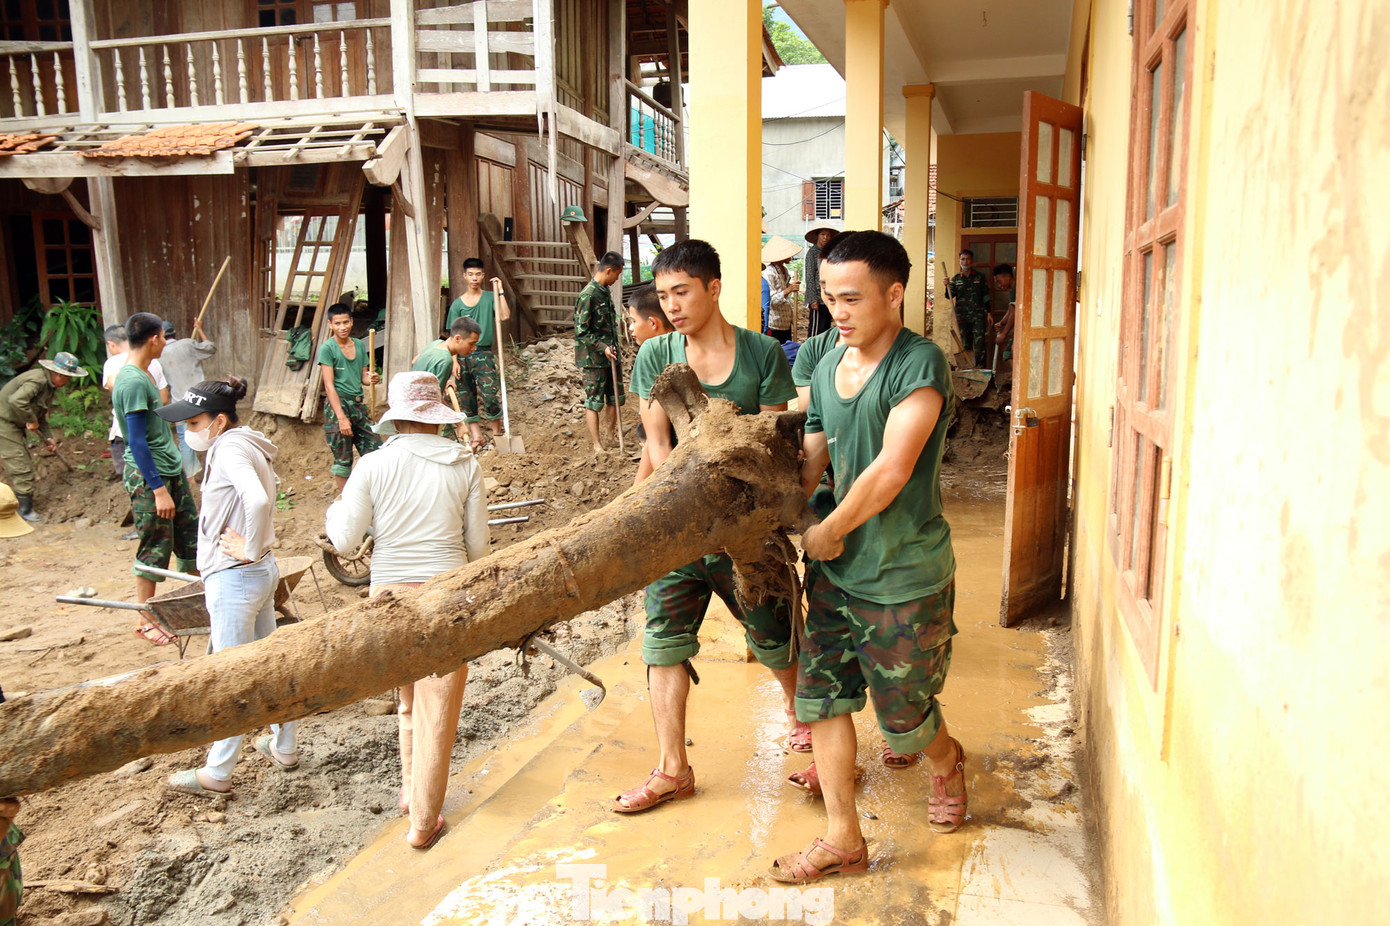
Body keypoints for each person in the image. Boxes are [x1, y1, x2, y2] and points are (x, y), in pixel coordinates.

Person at [770, 231, 961, 884]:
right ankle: (843, 838)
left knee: (905, 722)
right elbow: (815, 453)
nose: (837, 312)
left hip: (903, 574)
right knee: (823, 701)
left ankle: (947, 762)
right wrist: (778, 508)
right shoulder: (826, 367)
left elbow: (892, 469)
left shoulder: (919, 365)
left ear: (894, 294)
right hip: (836, 575)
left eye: (851, 298)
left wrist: (831, 529)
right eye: (829, 298)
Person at [612, 238, 804, 813]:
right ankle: (673, 768)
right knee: (663, 644)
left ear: (713, 288)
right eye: (664, 294)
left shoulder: (761, 353)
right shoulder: (656, 354)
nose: (671, 305)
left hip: (746, 529)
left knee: (774, 636)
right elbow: (657, 445)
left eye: (682, 292)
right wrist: (651, 513)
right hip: (677, 530)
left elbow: (770, 447)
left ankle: (801, 719)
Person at [325, 371, 488, 850]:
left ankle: (410, 791)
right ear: (437, 417)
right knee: (438, 707)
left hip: (389, 598)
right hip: (445, 595)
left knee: (409, 699)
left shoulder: (372, 465)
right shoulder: (464, 464)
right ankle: (423, 821)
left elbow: (345, 541)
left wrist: (335, 511)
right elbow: (478, 548)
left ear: (396, 419)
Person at [160, 377, 298, 794]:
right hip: (257, 573)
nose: (189, 431)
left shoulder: (230, 449)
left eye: (194, 422)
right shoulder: (246, 442)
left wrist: (249, 547)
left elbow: (257, 499)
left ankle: (217, 773)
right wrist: (256, 551)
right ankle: (284, 746)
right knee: (269, 666)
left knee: (231, 677)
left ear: (218, 421)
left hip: (236, 577)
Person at [112, 313, 199, 646]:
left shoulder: (146, 372)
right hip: (151, 476)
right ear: (154, 339)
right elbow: (135, 441)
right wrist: (159, 489)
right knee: (154, 545)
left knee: (190, 540)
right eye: (164, 337)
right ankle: (146, 621)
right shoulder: (132, 381)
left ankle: (202, 604)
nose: (165, 343)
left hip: (169, 468)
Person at [0, 352, 87, 523]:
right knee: (20, 464)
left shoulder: (48, 386)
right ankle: (24, 510)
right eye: (68, 377)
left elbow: (40, 413)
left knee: (21, 461)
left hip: (13, 422)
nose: (68, 381)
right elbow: (16, 401)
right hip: (4, 423)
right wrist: (31, 419)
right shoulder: (37, 381)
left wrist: (48, 437)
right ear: (58, 374)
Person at [104, 325, 169, 541]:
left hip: (126, 431)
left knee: (135, 477)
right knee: (155, 475)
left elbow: (114, 387)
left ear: (112, 345)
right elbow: (164, 398)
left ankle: (143, 524)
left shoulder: (114, 363)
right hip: (157, 429)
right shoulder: (154, 363)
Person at [445, 258, 512, 452]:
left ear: (483, 275)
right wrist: (454, 361)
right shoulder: (457, 305)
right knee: (466, 396)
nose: (474, 278)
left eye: (478, 274)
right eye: (470, 274)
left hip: (483, 353)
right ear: (464, 276)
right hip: (462, 356)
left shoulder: (490, 297)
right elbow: (452, 337)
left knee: (490, 395)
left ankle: (497, 434)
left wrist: (500, 291)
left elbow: (504, 315)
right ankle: (477, 436)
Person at [318, 303, 383, 490]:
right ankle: (347, 501)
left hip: (358, 406)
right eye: (337, 323)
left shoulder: (360, 345)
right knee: (343, 460)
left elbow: (363, 377)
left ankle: (374, 496)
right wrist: (341, 418)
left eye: (346, 322)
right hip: (338, 406)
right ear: (330, 324)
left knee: (376, 453)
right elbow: (329, 385)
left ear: (352, 321)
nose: (342, 327)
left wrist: (372, 378)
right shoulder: (328, 348)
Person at [574, 251, 626, 454]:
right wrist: (602, 347)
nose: (617, 279)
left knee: (614, 397)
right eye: (618, 274)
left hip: (611, 355)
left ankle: (611, 438)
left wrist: (612, 348)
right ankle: (597, 444)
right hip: (594, 360)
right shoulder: (588, 295)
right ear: (609, 270)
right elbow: (582, 332)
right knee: (594, 402)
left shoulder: (604, 291)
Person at [626, 287, 676, 483]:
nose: (630, 328)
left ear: (653, 323)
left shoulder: (652, 355)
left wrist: (635, 491)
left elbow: (654, 441)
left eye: (633, 321)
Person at [159, 319, 217, 480]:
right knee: (211, 434)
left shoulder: (158, 356)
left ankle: (191, 478)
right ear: (174, 333)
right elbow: (210, 348)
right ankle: (215, 472)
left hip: (180, 404)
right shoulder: (187, 344)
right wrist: (200, 329)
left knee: (184, 440)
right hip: (201, 399)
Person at [413, 316, 482, 441]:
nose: (473, 349)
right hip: (423, 410)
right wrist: (459, 424)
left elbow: (415, 361)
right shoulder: (446, 361)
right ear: (457, 339)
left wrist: (442, 382)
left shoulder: (435, 344)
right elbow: (435, 401)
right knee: (450, 445)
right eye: (471, 343)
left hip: (411, 405)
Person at [947, 248, 992, 368]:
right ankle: (967, 369)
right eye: (963, 259)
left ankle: (981, 369)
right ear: (959, 261)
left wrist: (989, 313)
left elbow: (986, 296)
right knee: (965, 344)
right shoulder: (956, 279)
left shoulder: (979, 277)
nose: (965, 262)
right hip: (962, 317)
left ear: (972, 260)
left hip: (978, 316)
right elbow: (949, 296)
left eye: (967, 259)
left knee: (979, 343)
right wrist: (947, 286)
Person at [803, 222, 842, 339]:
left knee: (826, 327)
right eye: (823, 235)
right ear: (817, 236)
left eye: (828, 235)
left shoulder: (830, 253)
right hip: (817, 297)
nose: (826, 237)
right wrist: (812, 299)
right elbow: (809, 276)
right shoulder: (812, 253)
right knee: (816, 329)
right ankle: (812, 349)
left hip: (828, 296)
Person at [760, 236, 802, 343]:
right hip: (775, 323)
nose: (791, 256)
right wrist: (789, 290)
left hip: (785, 321)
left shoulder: (785, 271)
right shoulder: (770, 273)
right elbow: (771, 300)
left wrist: (791, 287)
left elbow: (783, 292)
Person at [992, 264, 1017, 367]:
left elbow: (1015, 312)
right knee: (1008, 354)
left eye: (999, 281)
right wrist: (1001, 322)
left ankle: (1019, 376)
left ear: (1008, 276)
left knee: (1011, 352)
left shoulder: (1018, 288)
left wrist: (1004, 333)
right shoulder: (1012, 290)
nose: (999, 285)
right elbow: (1011, 309)